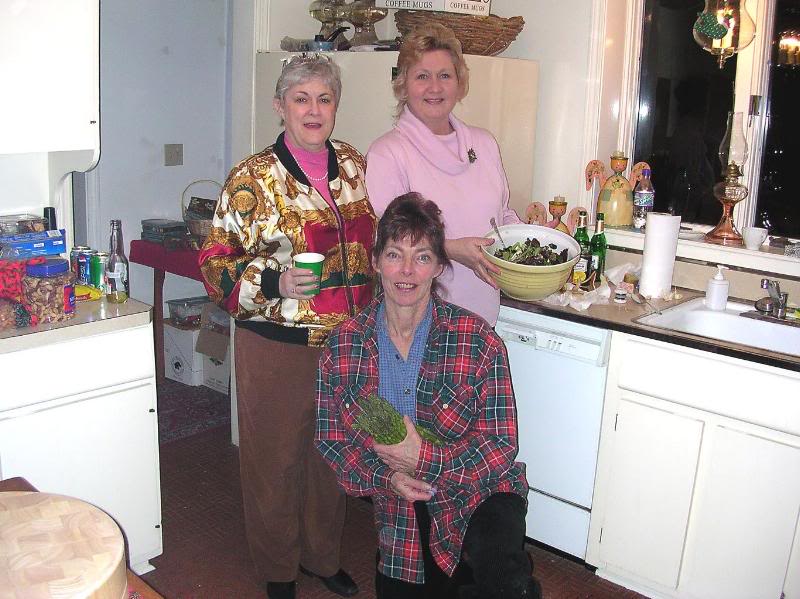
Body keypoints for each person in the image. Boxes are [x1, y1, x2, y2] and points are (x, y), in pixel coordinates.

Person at [199, 53, 376, 599]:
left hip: (346, 341)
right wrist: (272, 283)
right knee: (274, 462)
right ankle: (278, 571)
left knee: (331, 458)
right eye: (301, 98)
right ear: (280, 106)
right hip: (276, 343)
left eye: (324, 98)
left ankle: (321, 558)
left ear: (336, 106)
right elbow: (214, 263)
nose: (314, 109)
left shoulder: (355, 166)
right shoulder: (250, 178)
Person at [316, 193, 542, 599]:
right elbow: (333, 442)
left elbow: (500, 448)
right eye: (393, 254)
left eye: (421, 257)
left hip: (479, 490)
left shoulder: (477, 340)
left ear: (439, 265)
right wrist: (388, 476)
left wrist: (425, 458)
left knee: (501, 581)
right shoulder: (343, 346)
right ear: (374, 261)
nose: (406, 271)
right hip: (400, 500)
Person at [366, 23, 520, 326]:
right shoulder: (388, 153)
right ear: (403, 84)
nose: (434, 87)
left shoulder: (484, 144)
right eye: (422, 76)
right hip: (417, 323)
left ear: (459, 83)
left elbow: (501, 217)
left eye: (445, 76)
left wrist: (531, 236)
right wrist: (450, 249)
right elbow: (388, 244)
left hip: (482, 318)